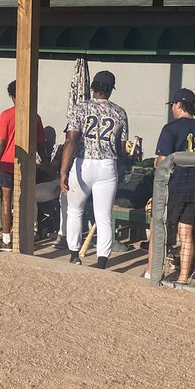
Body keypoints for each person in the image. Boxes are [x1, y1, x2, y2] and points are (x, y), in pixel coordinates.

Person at [60, 70, 128, 268]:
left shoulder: (80, 107)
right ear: (110, 90)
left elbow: (71, 139)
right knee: (104, 215)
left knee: (74, 210)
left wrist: (63, 170)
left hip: (84, 162)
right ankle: (102, 260)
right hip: (108, 165)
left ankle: (74, 254)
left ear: (94, 87)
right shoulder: (120, 112)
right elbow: (123, 148)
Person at [150, 88, 195, 283]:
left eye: (173, 105)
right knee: (186, 234)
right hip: (194, 188)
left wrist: (156, 163)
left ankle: (151, 272)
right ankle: (183, 278)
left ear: (178, 104)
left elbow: (162, 161)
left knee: (157, 229)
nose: (172, 109)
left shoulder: (171, 128)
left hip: (172, 187)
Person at [0, 80, 47, 248]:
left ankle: (7, 238)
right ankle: (28, 234)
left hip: (6, 164)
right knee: (25, 200)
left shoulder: (5, 115)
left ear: (11, 96)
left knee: (6, 201)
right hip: (27, 165)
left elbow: (0, 143)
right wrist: (46, 163)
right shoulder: (35, 116)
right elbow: (40, 145)